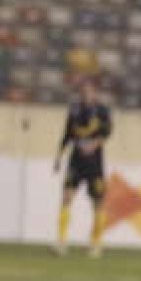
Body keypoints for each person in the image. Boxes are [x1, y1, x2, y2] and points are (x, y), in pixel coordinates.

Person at [53, 79, 112, 258]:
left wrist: (94, 144)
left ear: (95, 93)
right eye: (83, 91)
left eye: (90, 91)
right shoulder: (74, 110)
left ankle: (95, 244)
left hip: (94, 163)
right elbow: (67, 134)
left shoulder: (102, 111)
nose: (86, 95)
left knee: (98, 203)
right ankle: (61, 243)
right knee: (66, 197)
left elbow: (107, 132)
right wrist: (59, 156)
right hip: (76, 161)